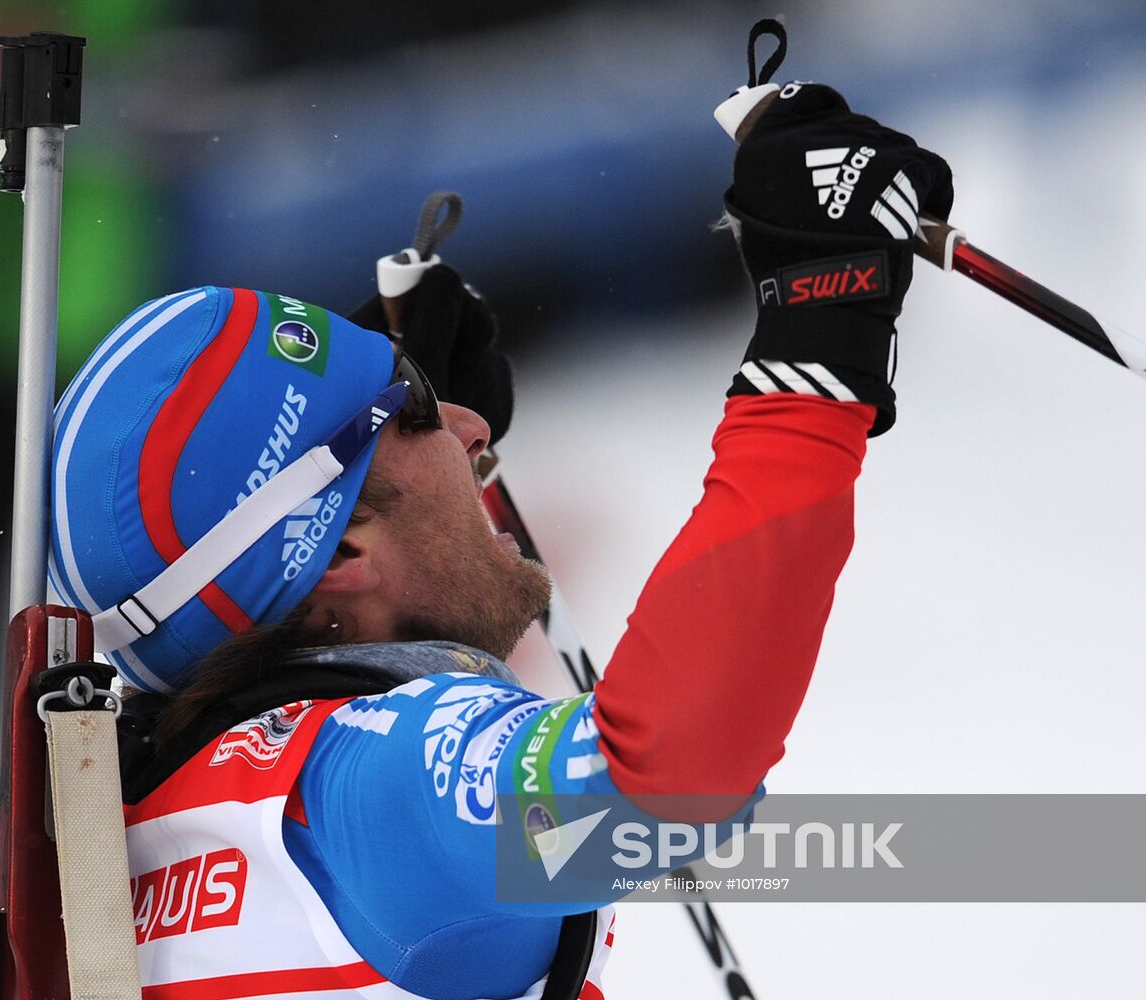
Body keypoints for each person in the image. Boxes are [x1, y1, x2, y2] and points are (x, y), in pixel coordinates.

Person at [49, 82, 952, 999]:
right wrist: (816, 348)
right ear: (344, 555)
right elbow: (664, 783)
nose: (473, 427)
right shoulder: (368, 781)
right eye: (416, 413)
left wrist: (394, 448)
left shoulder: (152, 822)